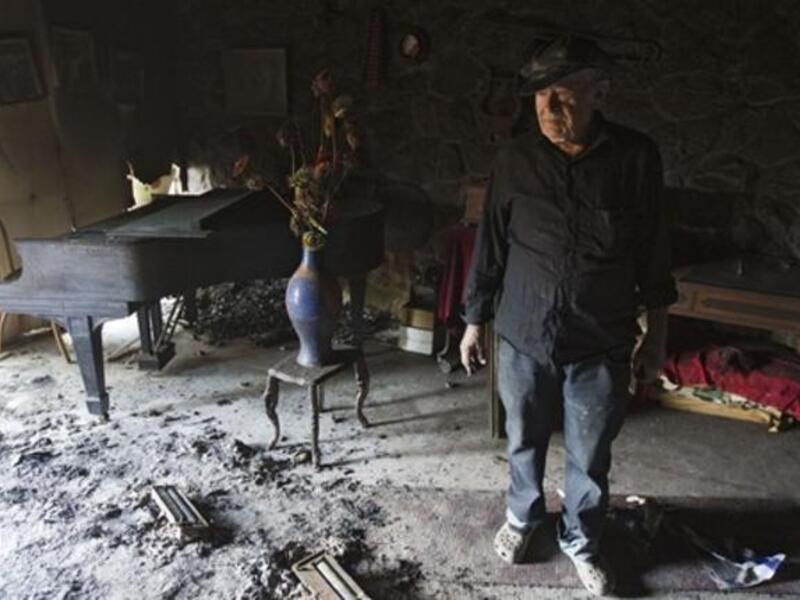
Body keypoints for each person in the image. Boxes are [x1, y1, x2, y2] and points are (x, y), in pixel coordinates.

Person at [460, 35, 677, 596]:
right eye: (540, 96)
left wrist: (656, 337)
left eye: (562, 93)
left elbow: (654, 251)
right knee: (522, 438)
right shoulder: (514, 159)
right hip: (523, 333)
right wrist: (474, 320)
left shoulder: (635, 158)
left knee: (590, 452)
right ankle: (522, 517)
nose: (549, 107)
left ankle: (582, 539)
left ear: (599, 93)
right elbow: (491, 245)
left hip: (600, 337)